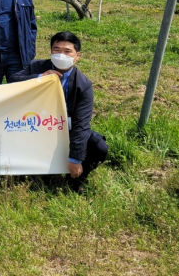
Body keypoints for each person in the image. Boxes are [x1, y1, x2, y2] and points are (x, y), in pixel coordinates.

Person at [8, 32, 108, 191]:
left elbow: (81, 124)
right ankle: (28, 173)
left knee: (99, 147)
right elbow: (13, 81)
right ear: (50, 51)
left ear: (77, 56)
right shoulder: (36, 66)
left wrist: (76, 159)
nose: (61, 54)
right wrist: (39, 77)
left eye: (67, 51)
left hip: (65, 129)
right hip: (33, 126)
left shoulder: (83, 85)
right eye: (56, 49)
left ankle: (75, 179)